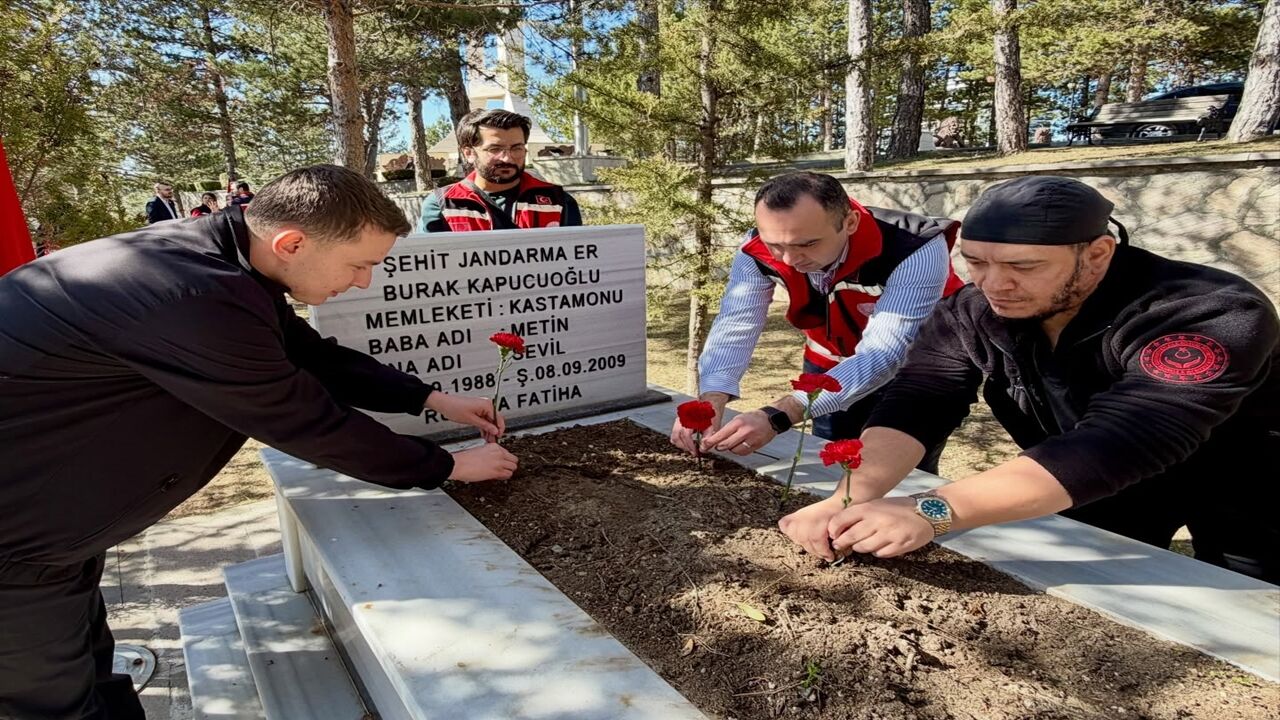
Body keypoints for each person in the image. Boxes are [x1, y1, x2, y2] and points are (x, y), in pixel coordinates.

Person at [0, 164, 519, 719]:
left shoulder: (220, 260)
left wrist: (432, 398)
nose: (365, 281)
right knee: (48, 707)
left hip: (53, 532)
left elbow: (311, 356)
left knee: (88, 669)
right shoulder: (192, 294)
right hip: (16, 544)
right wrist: (448, 465)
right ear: (292, 242)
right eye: (360, 264)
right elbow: (304, 420)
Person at [777, 175, 1279, 584]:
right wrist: (851, 496)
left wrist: (932, 508)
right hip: (1082, 481)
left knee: (1252, 598)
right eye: (976, 263)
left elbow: (1130, 436)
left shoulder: (1208, 310)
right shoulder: (972, 310)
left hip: (1242, 481)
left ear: (1099, 254)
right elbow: (919, 400)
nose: (995, 285)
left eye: (1023, 266)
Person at [670, 172, 965, 474]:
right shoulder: (758, 249)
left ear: (850, 223)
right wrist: (711, 398)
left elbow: (885, 352)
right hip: (826, 362)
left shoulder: (915, 246)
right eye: (775, 245)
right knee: (830, 461)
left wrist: (779, 415)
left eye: (807, 244)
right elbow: (736, 321)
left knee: (898, 471)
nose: (788, 260)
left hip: (917, 371)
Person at [418, 109, 582, 233]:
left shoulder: (558, 201)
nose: (507, 158)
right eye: (495, 149)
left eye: (516, 148)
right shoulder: (442, 205)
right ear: (468, 153)